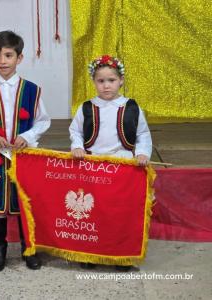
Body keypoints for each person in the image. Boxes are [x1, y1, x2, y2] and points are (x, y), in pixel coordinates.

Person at [0, 30, 51, 272]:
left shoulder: (32, 90)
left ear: (20, 58)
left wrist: (27, 136)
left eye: (8, 55)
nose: (2, 61)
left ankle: (29, 247)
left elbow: (43, 121)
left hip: (23, 159)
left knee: (25, 201)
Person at [69, 55, 152, 271]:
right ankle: (90, 253)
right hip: (93, 166)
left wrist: (142, 153)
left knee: (120, 213)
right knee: (94, 212)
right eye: (100, 81)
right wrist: (77, 147)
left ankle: (121, 255)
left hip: (123, 165)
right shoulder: (86, 107)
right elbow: (75, 131)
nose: (106, 85)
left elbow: (143, 134)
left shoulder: (131, 107)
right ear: (93, 81)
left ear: (121, 80)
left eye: (111, 80)